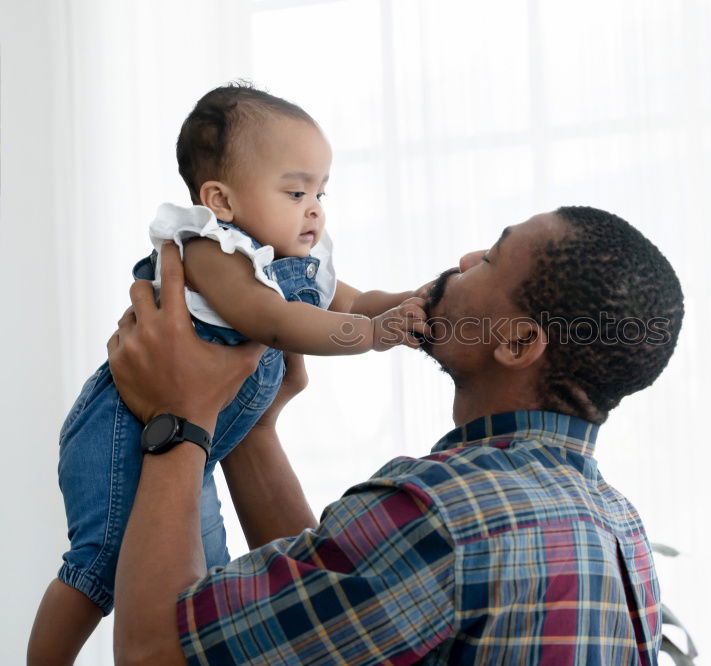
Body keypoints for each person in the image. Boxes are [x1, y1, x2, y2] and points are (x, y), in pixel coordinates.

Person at [107, 205, 685, 664]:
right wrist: (252, 426)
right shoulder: (618, 527)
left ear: (516, 343)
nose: (464, 257)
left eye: (491, 259)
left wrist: (180, 418)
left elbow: (155, 652)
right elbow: (338, 607)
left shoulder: (446, 514)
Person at [28, 84, 428, 665]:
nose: (314, 207)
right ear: (220, 199)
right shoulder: (212, 249)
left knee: (197, 582)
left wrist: (405, 302)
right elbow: (270, 320)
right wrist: (371, 337)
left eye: (320, 191)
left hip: (200, 438)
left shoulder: (294, 261)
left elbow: (354, 298)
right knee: (100, 561)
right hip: (126, 424)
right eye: (295, 191)